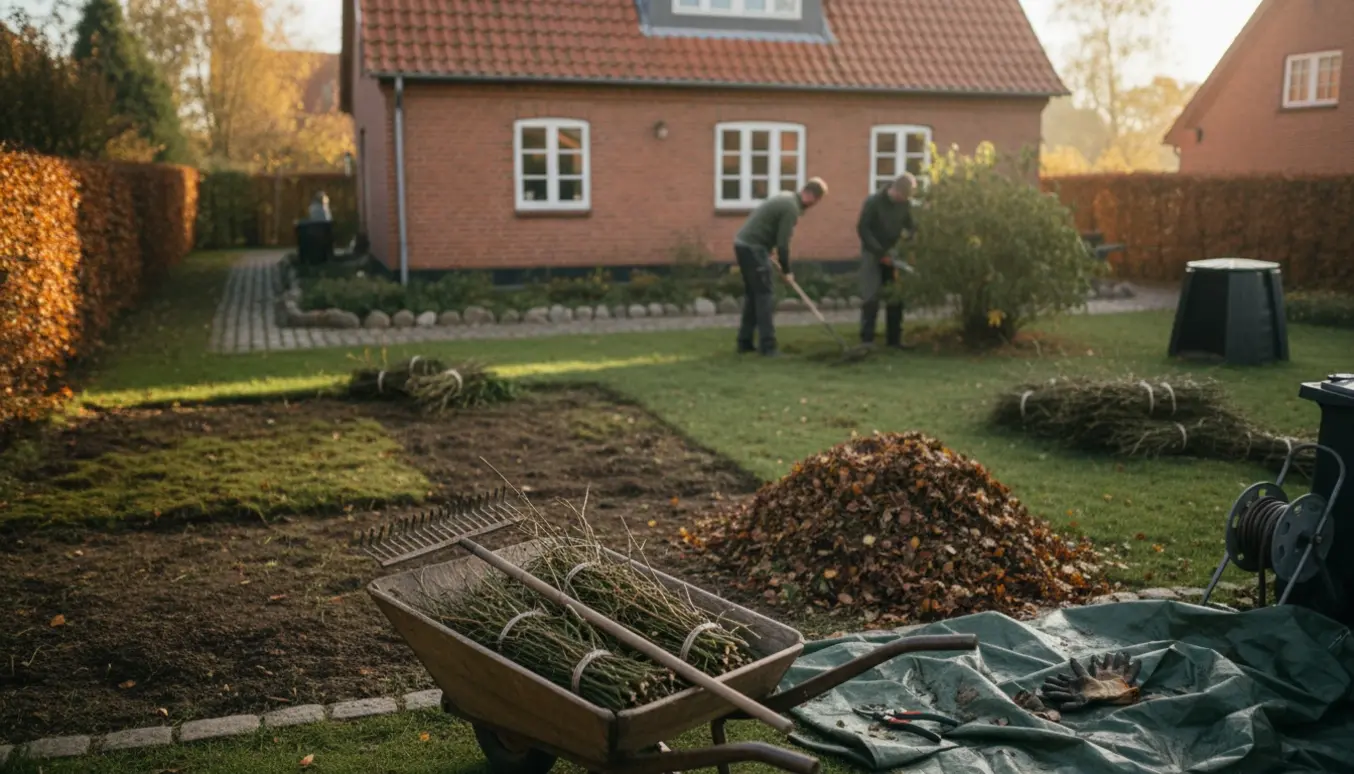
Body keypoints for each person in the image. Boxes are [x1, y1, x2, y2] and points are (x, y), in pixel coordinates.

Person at [732, 178, 829, 357]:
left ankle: (744, 343)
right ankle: (768, 347)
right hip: (753, 248)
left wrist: (768, 250)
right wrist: (787, 270)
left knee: (755, 295)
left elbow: (769, 229)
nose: (814, 205)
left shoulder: (787, 198)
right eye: (817, 201)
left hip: (744, 245)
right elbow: (783, 243)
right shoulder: (791, 209)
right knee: (764, 295)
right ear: (811, 197)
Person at [856, 174, 917, 350]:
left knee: (895, 296)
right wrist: (879, 252)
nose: (902, 200)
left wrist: (909, 240)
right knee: (871, 296)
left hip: (894, 253)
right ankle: (867, 340)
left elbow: (910, 225)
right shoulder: (873, 202)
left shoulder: (904, 204)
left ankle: (894, 339)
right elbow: (863, 228)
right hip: (872, 252)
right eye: (901, 196)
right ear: (894, 189)